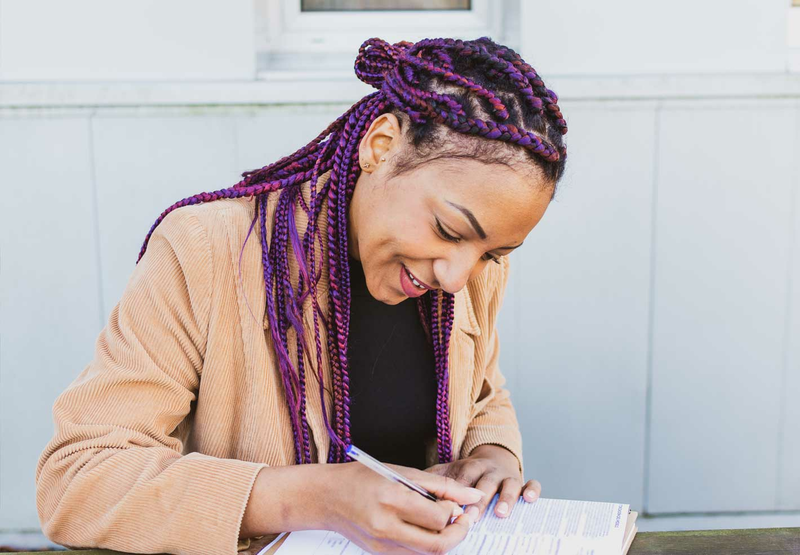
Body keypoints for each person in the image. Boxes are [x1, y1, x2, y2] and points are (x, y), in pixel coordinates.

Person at [36, 36, 567, 555]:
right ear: (380, 147)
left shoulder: (471, 275)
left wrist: (493, 453)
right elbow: (79, 477)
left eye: (491, 252)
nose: (457, 275)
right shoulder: (206, 251)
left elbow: (483, 393)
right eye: (450, 230)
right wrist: (316, 497)